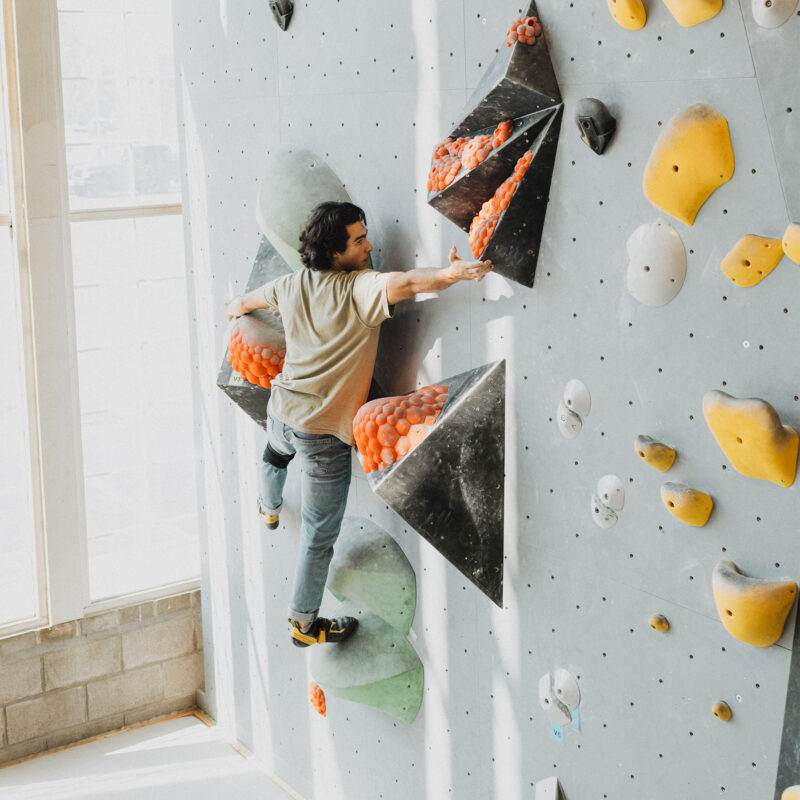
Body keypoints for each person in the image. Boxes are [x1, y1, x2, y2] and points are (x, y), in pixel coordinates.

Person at [226, 201, 492, 648]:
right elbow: (407, 282)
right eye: (359, 240)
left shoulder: (291, 284)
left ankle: (267, 507)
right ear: (334, 252)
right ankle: (303, 624)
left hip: (282, 410)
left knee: (274, 453)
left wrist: (234, 308)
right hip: (322, 434)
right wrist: (453, 274)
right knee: (318, 533)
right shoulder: (358, 290)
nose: (369, 246)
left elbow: (245, 303)